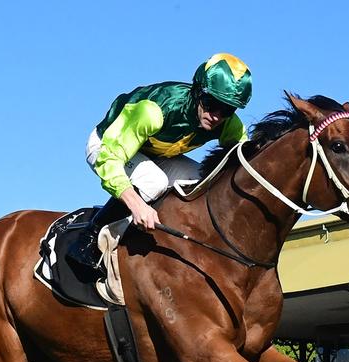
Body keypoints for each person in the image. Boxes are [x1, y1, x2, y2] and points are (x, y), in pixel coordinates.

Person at [68, 53, 252, 268]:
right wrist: (136, 205)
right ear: (197, 91)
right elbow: (111, 158)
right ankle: (90, 236)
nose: (216, 116)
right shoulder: (154, 112)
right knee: (153, 181)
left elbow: (244, 163)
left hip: (157, 155)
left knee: (205, 182)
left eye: (227, 110)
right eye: (211, 103)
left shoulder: (229, 125)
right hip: (107, 146)